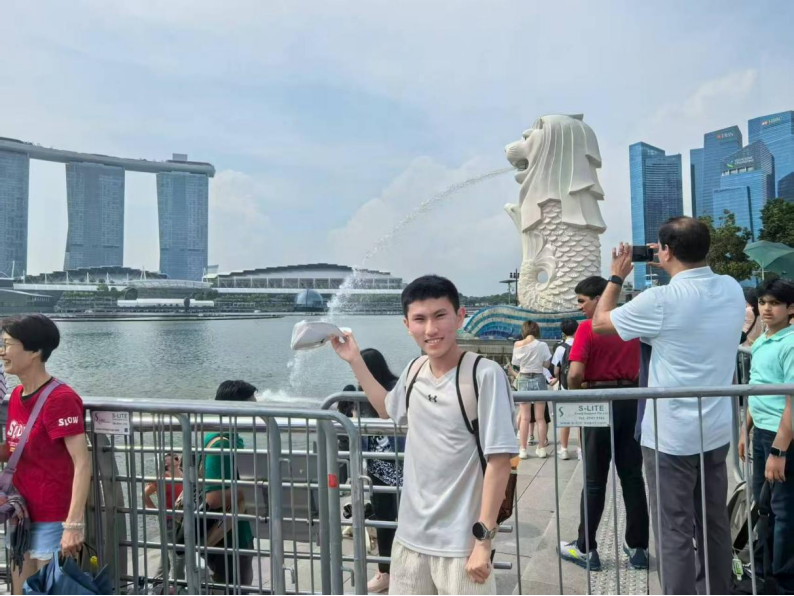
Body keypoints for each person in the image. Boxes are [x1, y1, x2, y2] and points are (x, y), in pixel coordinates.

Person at [331, 275, 516, 595]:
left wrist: (483, 541)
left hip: (461, 545)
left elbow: (500, 462)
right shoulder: (415, 370)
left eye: (440, 315)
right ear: (407, 325)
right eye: (420, 319)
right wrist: (355, 360)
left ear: (460, 316)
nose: (431, 329)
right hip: (409, 540)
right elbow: (386, 408)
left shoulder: (485, 375)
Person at [592, 216, 746, 595]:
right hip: (716, 431)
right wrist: (672, 264)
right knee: (713, 523)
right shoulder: (731, 288)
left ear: (666, 251)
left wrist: (616, 276)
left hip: (670, 435)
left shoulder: (660, 300)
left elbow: (600, 322)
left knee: (673, 528)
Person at [558, 277, 648, 572]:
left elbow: (574, 374)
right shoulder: (631, 326)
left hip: (597, 403)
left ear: (599, 298)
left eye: (582, 301)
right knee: (632, 477)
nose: (579, 307)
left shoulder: (587, 328)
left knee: (595, 480)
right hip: (630, 401)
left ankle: (586, 548)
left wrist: (577, 395)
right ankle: (638, 548)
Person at [0, 315, 90, 595]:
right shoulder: (16, 395)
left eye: (8, 344)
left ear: (35, 351)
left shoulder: (60, 399)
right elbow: (13, 449)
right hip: (21, 517)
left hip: (52, 518)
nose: (2, 352)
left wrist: (73, 525)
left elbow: (82, 462)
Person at [739, 278, 794, 591]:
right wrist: (745, 429)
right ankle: (763, 570)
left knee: (784, 510)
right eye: (763, 303)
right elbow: (756, 387)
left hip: (782, 436)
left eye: (775, 303)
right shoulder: (763, 340)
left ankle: (785, 581)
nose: (767, 309)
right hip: (761, 432)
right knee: (764, 507)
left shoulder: (791, 343)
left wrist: (779, 451)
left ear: (791, 308)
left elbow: (792, 401)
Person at [353, 348, 404, 594]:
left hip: (401, 467)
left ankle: (403, 572)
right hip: (376, 469)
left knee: (404, 522)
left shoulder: (394, 389)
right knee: (384, 523)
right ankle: (386, 572)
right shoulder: (360, 393)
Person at [201, 380, 256, 587]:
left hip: (234, 532)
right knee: (234, 585)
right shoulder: (221, 444)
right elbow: (213, 498)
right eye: (252, 408)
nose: (256, 415)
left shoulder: (227, 438)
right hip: (228, 537)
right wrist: (251, 487)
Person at [511, 321, 552, 459]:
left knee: (525, 417)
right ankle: (541, 448)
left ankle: (523, 449)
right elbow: (547, 364)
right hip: (539, 377)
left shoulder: (517, 344)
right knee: (540, 418)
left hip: (523, 378)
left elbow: (515, 363)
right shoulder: (542, 345)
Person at [144, 454, 184, 582]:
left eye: (175, 455)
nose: (175, 456)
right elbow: (144, 494)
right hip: (169, 521)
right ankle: (178, 585)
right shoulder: (162, 478)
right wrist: (155, 511)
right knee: (177, 555)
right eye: (169, 455)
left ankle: (158, 581)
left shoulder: (183, 474)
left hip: (183, 520)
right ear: (165, 463)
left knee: (167, 554)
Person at [552, 318, 579, 460]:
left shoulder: (560, 348)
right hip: (581, 388)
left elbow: (556, 371)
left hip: (565, 387)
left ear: (563, 331)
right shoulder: (582, 344)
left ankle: (564, 449)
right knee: (581, 421)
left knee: (565, 419)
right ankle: (581, 450)